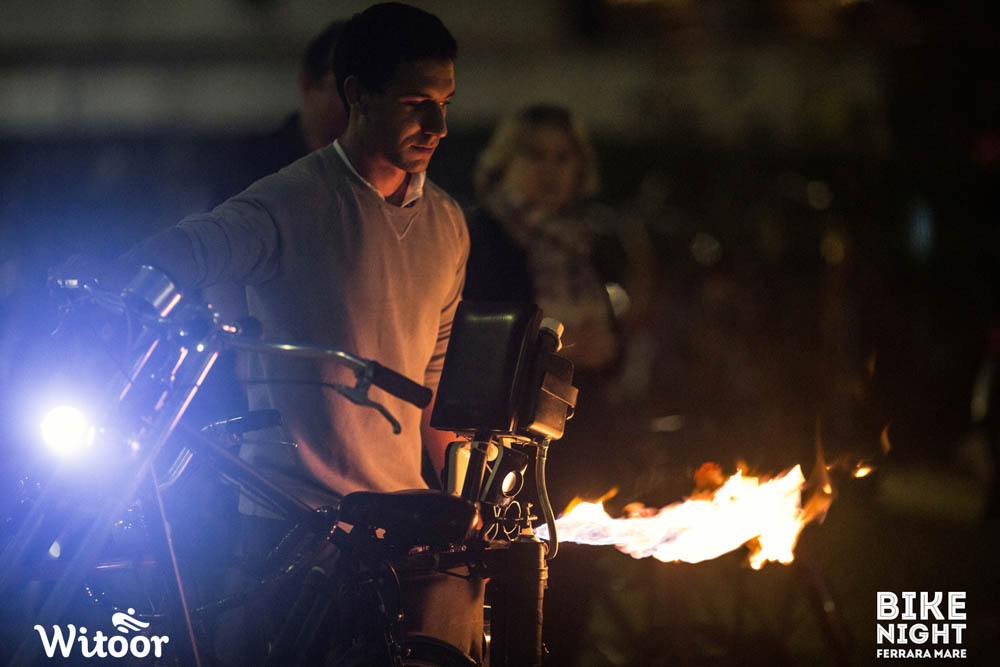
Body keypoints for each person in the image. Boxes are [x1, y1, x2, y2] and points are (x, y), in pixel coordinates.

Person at [113, 3, 479, 662]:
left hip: (396, 535)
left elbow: (436, 382)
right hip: (286, 529)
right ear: (357, 95)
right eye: (416, 103)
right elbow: (187, 250)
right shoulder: (289, 201)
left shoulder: (447, 223)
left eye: (445, 103)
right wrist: (116, 293)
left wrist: (463, 504)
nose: (439, 126)